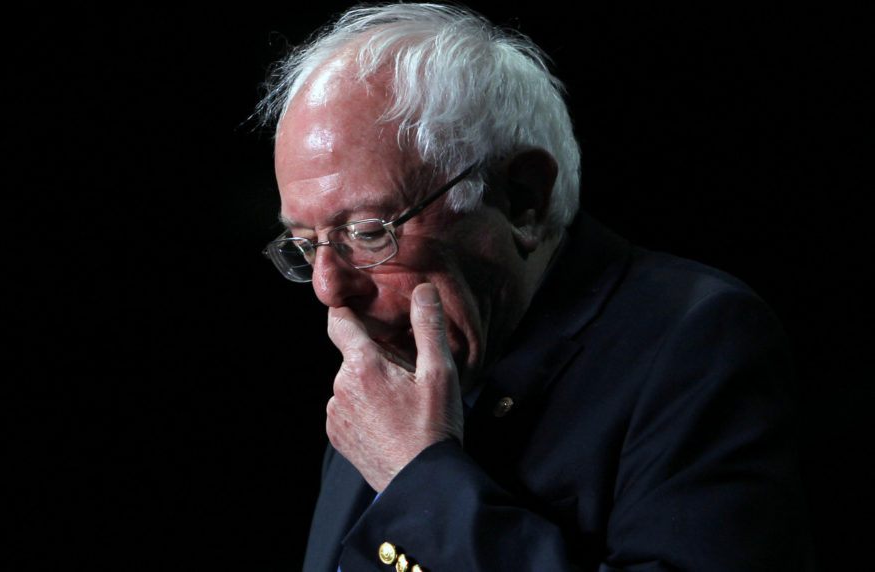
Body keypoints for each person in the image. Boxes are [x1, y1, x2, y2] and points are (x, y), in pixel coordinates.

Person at [256, 3, 814, 571]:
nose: (328, 288)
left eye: (368, 233)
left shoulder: (700, 344)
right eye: (305, 243)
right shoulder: (384, 377)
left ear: (523, 199)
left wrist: (415, 475)